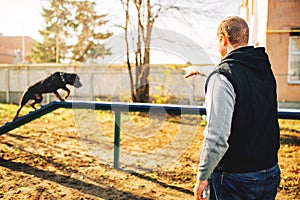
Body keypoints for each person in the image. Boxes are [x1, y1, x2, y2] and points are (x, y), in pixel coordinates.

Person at [185, 16, 281, 200]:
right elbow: (240, 81)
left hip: (236, 179)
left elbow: (217, 136)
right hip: (269, 173)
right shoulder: (262, 68)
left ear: (223, 38)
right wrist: (203, 71)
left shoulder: (222, 78)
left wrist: (202, 177)